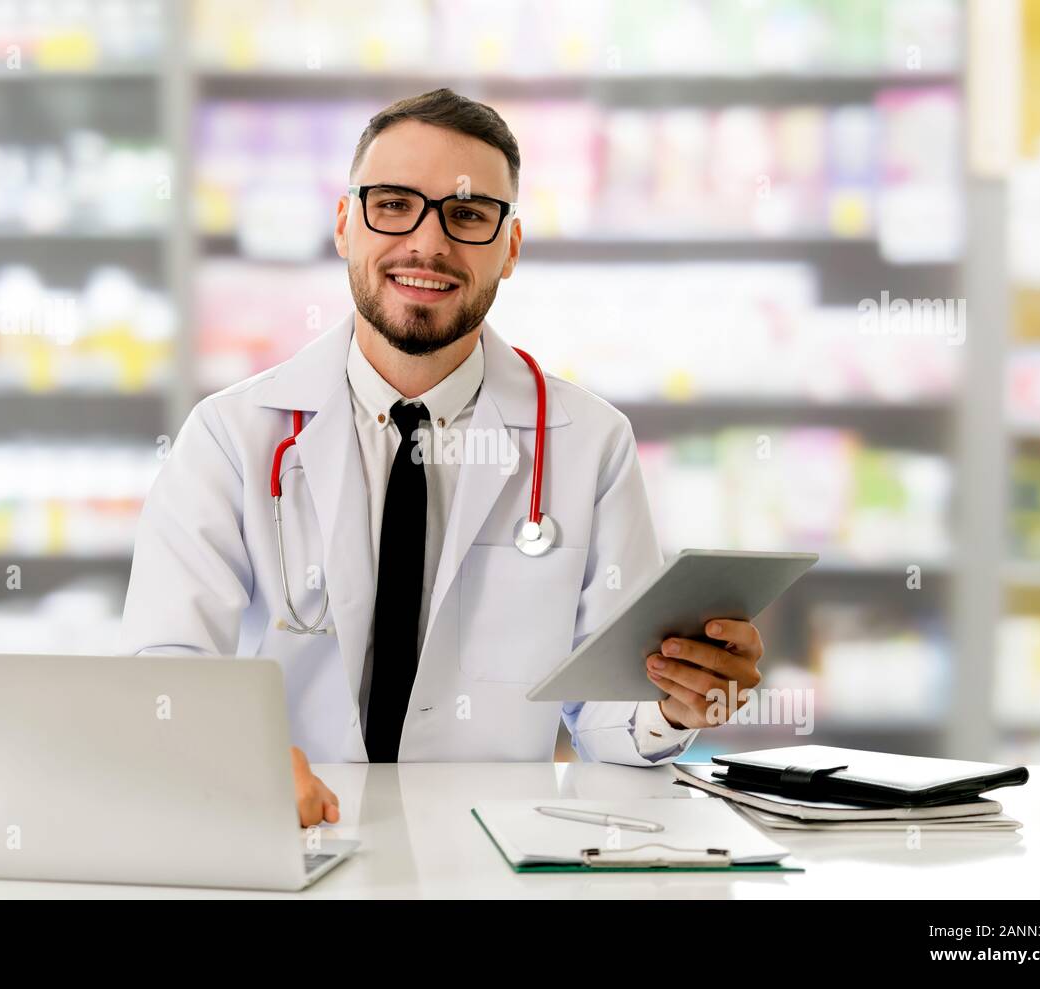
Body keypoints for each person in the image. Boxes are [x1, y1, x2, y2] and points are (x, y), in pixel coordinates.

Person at [121, 89, 764, 826]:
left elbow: (606, 715)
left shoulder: (590, 444)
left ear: (511, 247)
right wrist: (240, 753)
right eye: (393, 204)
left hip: (492, 855)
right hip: (290, 842)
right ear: (344, 224)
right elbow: (164, 671)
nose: (427, 244)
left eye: (466, 215)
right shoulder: (232, 437)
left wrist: (675, 701)